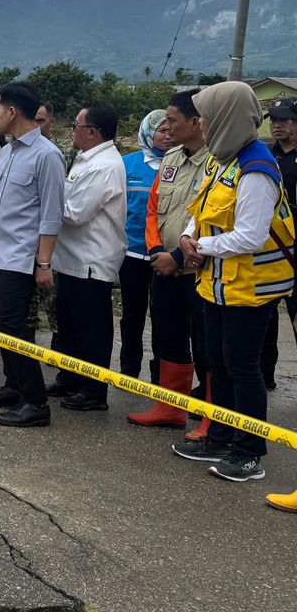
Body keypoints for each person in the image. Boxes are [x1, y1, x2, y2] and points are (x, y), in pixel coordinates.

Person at [171, 82, 295, 482]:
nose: (201, 124)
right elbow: (201, 207)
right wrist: (188, 236)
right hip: (216, 283)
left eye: (206, 116)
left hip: (248, 288)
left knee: (243, 367)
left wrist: (200, 245)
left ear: (226, 117)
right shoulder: (221, 159)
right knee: (218, 364)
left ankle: (249, 451)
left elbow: (251, 235)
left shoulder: (256, 167)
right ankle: (221, 435)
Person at [0, 81, 65, 427]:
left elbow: (52, 215)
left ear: (12, 112)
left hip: (21, 259)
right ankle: (14, 385)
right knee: (3, 325)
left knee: (13, 326)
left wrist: (44, 263)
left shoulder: (47, 155)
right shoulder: (6, 151)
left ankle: (36, 403)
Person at [127, 89, 210, 428]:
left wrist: (177, 256)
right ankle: (169, 407)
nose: (167, 127)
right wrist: (156, 251)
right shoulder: (171, 159)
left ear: (195, 121)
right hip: (162, 266)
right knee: (168, 336)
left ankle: (210, 416)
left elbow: (212, 215)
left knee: (205, 344)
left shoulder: (217, 161)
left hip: (197, 271)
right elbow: (152, 209)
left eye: (172, 121)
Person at [45, 102, 127, 411]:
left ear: (92, 132)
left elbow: (75, 212)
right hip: (71, 259)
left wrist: (44, 200)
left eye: (77, 126)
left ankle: (94, 390)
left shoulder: (103, 166)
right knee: (69, 324)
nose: (72, 131)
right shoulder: (86, 159)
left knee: (92, 328)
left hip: (91, 260)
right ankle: (71, 377)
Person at [118, 110, 171, 380]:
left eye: (170, 130)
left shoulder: (179, 165)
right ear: (148, 133)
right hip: (132, 252)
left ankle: (160, 373)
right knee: (132, 314)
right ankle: (129, 369)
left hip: (165, 255)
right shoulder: (127, 164)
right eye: (161, 131)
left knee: (162, 317)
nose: (167, 136)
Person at [260, 97, 297, 391]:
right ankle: (265, 375)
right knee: (266, 317)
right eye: (273, 120)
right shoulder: (265, 156)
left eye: (284, 120)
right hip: (271, 251)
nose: (277, 126)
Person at [26, 102, 60, 335]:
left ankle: (60, 351)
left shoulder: (61, 153)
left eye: (42, 121)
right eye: (34, 121)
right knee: (27, 308)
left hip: (54, 242)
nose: (37, 127)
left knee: (55, 302)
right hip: (26, 241)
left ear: (51, 122)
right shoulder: (16, 152)